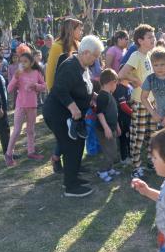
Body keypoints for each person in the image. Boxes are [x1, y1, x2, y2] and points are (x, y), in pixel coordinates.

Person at [43, 35, 104, 197]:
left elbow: (82, 87)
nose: (96, 60)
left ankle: (74, 176)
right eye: (95, 56)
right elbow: (59, 89)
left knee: (77, 144)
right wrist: (73, 107)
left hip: (72, 116)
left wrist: (93, 96)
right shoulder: (70, 66)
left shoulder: (82, 65)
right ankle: (70, 187)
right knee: (71, 146)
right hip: (58, 113)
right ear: (85, 52)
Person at [45, 18, 84, 173]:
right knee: (64, 132)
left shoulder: (79, 45)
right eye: (79, 29)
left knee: (75, 131)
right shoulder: (57, 46)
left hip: (77, 95)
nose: (81, 32)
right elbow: (50, 72)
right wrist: (53, 94)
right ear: (71, 29)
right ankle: (56, 158)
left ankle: (75, 163)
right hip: (61, 97)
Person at [119, 24, 157, 179]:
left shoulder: (147, 55)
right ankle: (136, 167)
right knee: (138, 135)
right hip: (140, 102)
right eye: (149, 37)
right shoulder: (136, 55)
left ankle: (150, 162)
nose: (153, 39)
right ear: (140, 40)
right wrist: (136, 80)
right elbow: (121, 74)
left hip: (150, 102)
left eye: (153, 37)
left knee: (151, 134)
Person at [7, 53, 47, 164]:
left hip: (32, 105)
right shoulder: (18, 74)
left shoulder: (36, 72)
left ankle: (31, 151)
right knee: (17, 130)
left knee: (30, 130)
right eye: (21, 61)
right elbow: (9, 89)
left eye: (25, 61)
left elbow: (44, 87)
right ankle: (9, 154)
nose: (23, 63)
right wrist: (15, 77)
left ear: (32, 62)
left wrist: (35, 86)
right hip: (20, 105)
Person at [95, 69, 122, 183]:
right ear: (111, 82)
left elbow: (113, 113)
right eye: (116, 83)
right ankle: (102, 171)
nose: (116, 86)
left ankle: (109, 168)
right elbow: (100, 113)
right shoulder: (103, 96)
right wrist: (106, 128)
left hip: (112, 128)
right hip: (104, 130)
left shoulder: (110, 95)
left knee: (113, 150)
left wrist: (117, 126)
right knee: (108, 151)